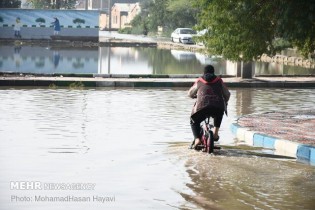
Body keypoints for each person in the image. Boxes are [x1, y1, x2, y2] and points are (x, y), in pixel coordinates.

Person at [188, 65, 230, 149]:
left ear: (204, 72)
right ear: (213, 72)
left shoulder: (199, 80)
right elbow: (227, 94)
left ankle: (197, 139)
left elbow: (190, 93)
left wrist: (194, 96)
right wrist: (225, 101)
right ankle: (215, 133)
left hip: (202, 108)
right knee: (219, 112)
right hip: (217, 107)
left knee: (194, 121)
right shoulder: (219, 80)